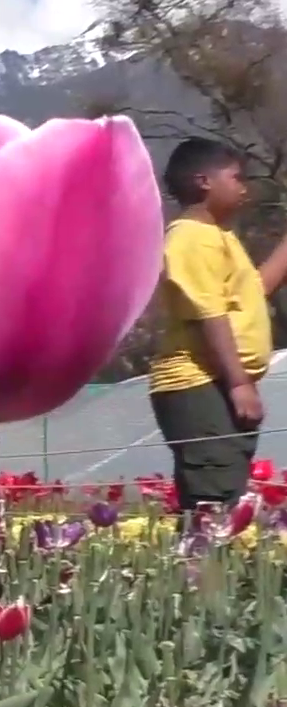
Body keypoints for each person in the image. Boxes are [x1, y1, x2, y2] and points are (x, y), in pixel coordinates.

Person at [151, 138, 287, 511]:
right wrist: (239, 382)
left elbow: (253, 291)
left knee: (226, 489)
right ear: (203, 181)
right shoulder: (190, 238)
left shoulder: (218, 238)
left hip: (217, 383)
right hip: (198, 383)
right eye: (237, 178)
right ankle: (207, 568)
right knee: (215, 498)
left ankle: (210, 566)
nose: (244, 188)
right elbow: (210, 311)